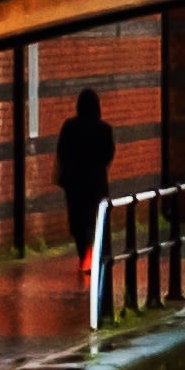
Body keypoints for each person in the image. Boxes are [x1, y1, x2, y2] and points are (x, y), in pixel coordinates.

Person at [54, 86, 117, 265]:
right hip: (96, 183)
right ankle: (97, 256)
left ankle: (84, 255)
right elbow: (108, 154)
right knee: (96, 219)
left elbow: (62, 152)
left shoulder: (69, 127)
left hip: (74, 183)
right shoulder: (104, 129)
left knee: (78, 222)